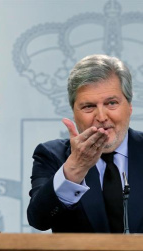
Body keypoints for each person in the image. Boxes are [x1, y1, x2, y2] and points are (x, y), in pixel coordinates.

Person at [27, 54, 143, 233]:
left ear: (129, 106)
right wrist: (75, 169)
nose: (102, 117)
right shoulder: (51, 155)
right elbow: (39, 219)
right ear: (74, 113)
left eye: (111, 103)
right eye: (89, 106)